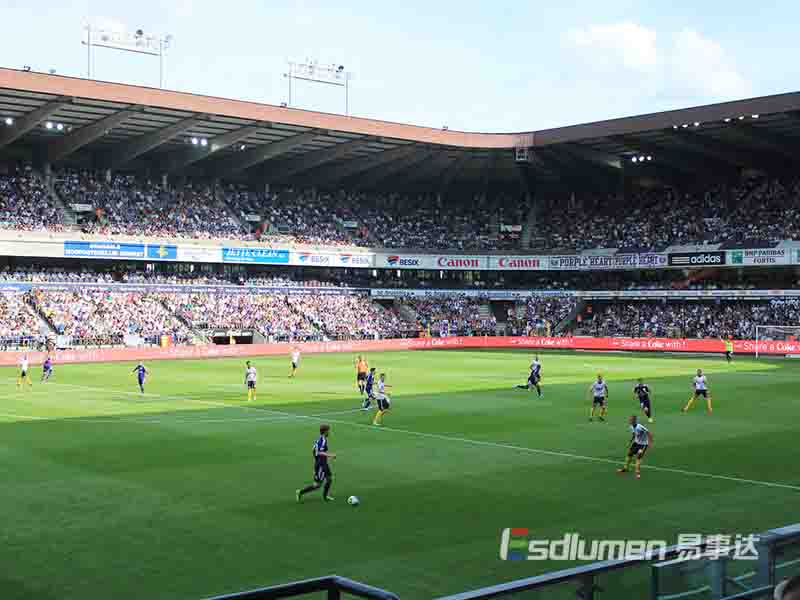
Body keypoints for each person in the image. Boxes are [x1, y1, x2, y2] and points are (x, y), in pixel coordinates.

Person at [296, 423, 336, 503]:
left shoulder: (320, 439)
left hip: (323, 463)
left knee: (329, 479)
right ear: (325, 432)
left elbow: (313, 449)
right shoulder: (323, 440)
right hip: (321, 465)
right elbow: (318, 452)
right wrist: (330, 455)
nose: (329, 432)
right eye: (328, 431)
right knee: (317, 485)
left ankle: (325, 496)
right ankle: (300, 492)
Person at [617, 415, 653, 479]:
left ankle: (637, 473)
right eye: (629, 420)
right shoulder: (631, 426)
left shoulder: (640, 427)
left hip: (643, 444)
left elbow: (649, 433)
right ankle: (625, 468)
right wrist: (631, 440)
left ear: (634, 421)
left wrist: (650, 443)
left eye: (631, 420)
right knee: (629, 455)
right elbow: (634, 434)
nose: (629, 421)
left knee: (638, 458)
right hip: (636, 443)